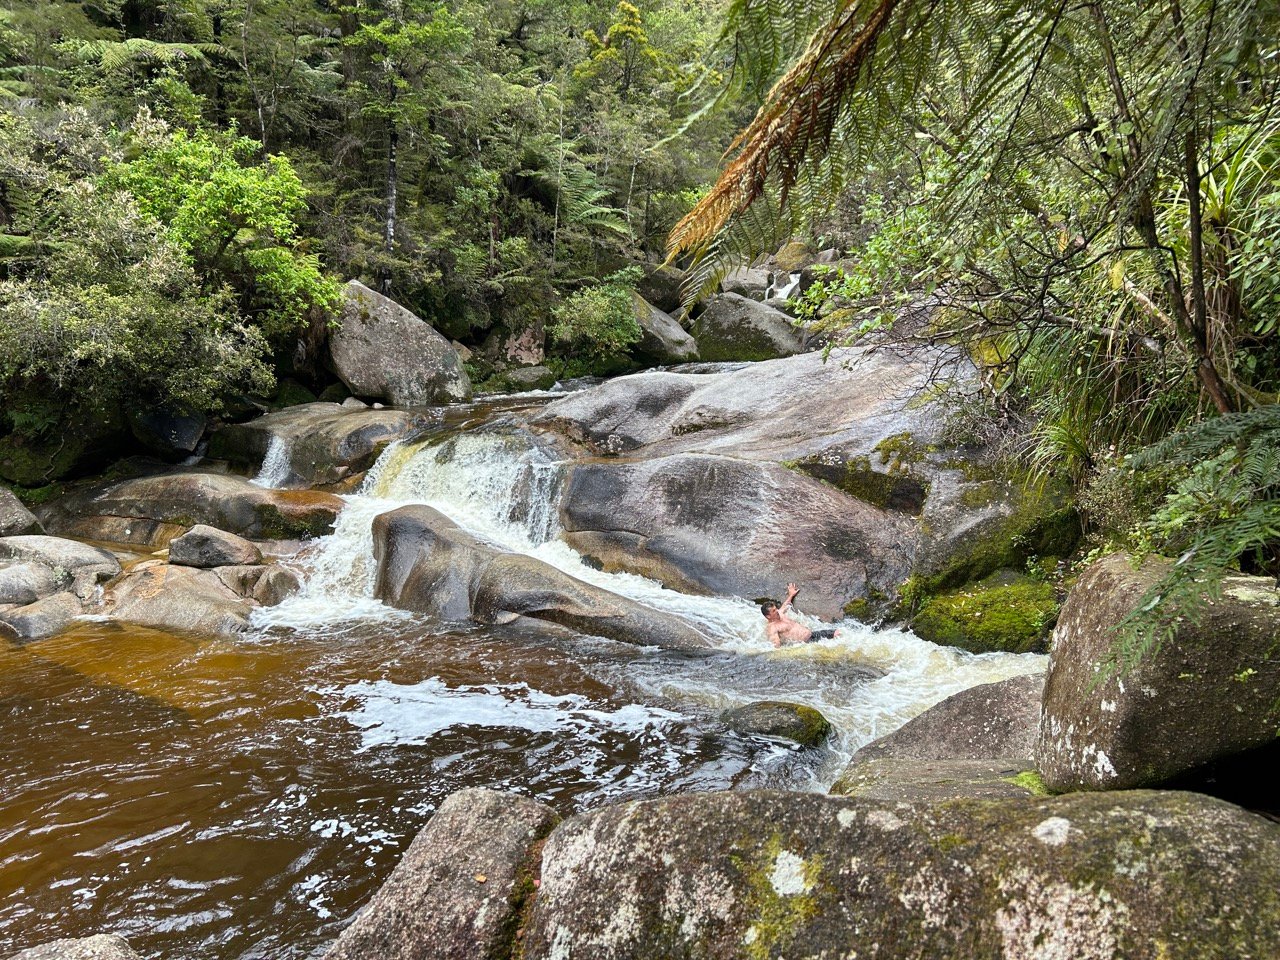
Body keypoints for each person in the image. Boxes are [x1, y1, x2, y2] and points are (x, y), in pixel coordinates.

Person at [760, 583, 838, 648]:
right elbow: (776, 647)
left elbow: (785, 605)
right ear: (768, 616)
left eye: (776, 608)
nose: (777, 611)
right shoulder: (772, 628)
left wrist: (791, 595)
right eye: (773, 611)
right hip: (807, 645)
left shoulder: (779, 613)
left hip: (813, 635)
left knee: (838, 633)